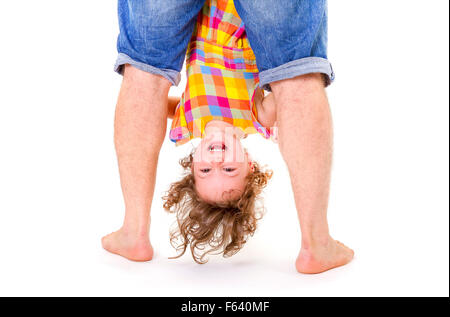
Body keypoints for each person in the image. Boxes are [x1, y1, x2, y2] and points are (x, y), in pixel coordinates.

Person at [102, 0, 354, 274]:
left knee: (145, 71)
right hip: (235, 24)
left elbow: (152, 101)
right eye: (230, 168)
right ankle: (316, 243)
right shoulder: (256, 118)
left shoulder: (186, 122)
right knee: (293, 74)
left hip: (208, 18)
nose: (218, 158)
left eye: (206, 169)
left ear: (193, 161)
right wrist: (282, 127)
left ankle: (133, 231)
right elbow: (289, 99)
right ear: (249, 163)